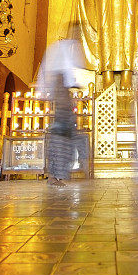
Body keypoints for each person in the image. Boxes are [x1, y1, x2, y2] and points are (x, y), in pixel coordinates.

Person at [36, 23, 89, 187]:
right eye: (77, 32)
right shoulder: (60, 48)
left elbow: (71, 74)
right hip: (60, 94)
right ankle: (54, 175)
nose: (78, 35)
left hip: (63, 93)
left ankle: (60, 173)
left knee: (68, 135)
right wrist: (50, 90)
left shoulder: (71, 48)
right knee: (62, 136)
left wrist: (73, 86)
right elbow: (51, 71)